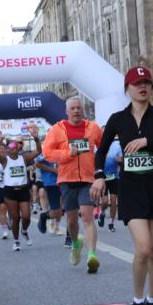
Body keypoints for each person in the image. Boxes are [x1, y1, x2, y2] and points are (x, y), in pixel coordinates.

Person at [91, 66, 153, 305]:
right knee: (144, 249)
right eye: (137, 83)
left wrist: (148, 143)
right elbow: (101, 151)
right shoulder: (118, 119)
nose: (143, 87)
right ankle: (137, 303)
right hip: (131, 189)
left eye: (146, 83)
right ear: (127, 89)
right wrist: (98, 175)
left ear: (151, 87)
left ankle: (152, 302)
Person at [42, 96, 105, 272]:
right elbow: (46, 152)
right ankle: (76, 242)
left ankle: (92, 255)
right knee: (71, 221)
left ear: (82, 110)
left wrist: (100, 169)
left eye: (79, 108)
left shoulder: (93, 128)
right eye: (73, 108)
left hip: (87, 179)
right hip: (66, 180)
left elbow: (104, 146)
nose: (76, 111)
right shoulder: (57, 129)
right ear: (66, 111)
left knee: (87, 215)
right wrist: (67, 154)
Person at [0, 128, 42, 252]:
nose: (14, 146)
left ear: (18, 148)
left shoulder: (24, 158)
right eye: (11, 145)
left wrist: (36, 138)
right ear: (8, 150)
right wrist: (0, 140)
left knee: (26, 217)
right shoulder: (4, 160)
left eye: (16, 145)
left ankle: (24, 231)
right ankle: (16, 241)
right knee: (15, 218)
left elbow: (38, 151)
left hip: (23, 190)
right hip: (10, 191)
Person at [34, 154, 64, 237]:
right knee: (57, 210)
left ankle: (58, 227)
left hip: (67, 180)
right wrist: (53, 170)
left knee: (66, 208)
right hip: (52, 182)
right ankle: (44, 216)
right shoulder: (47, 149)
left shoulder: (66, 146)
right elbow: (37, 164)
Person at [98, 140, 122, 232]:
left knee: (113, 200)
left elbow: (122, 159)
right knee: (104, 202)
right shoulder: (99, 144)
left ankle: (111, 223)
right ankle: (102, 213)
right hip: (102, 177)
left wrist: (120, 160)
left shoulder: (117, 145)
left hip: (114, 176)